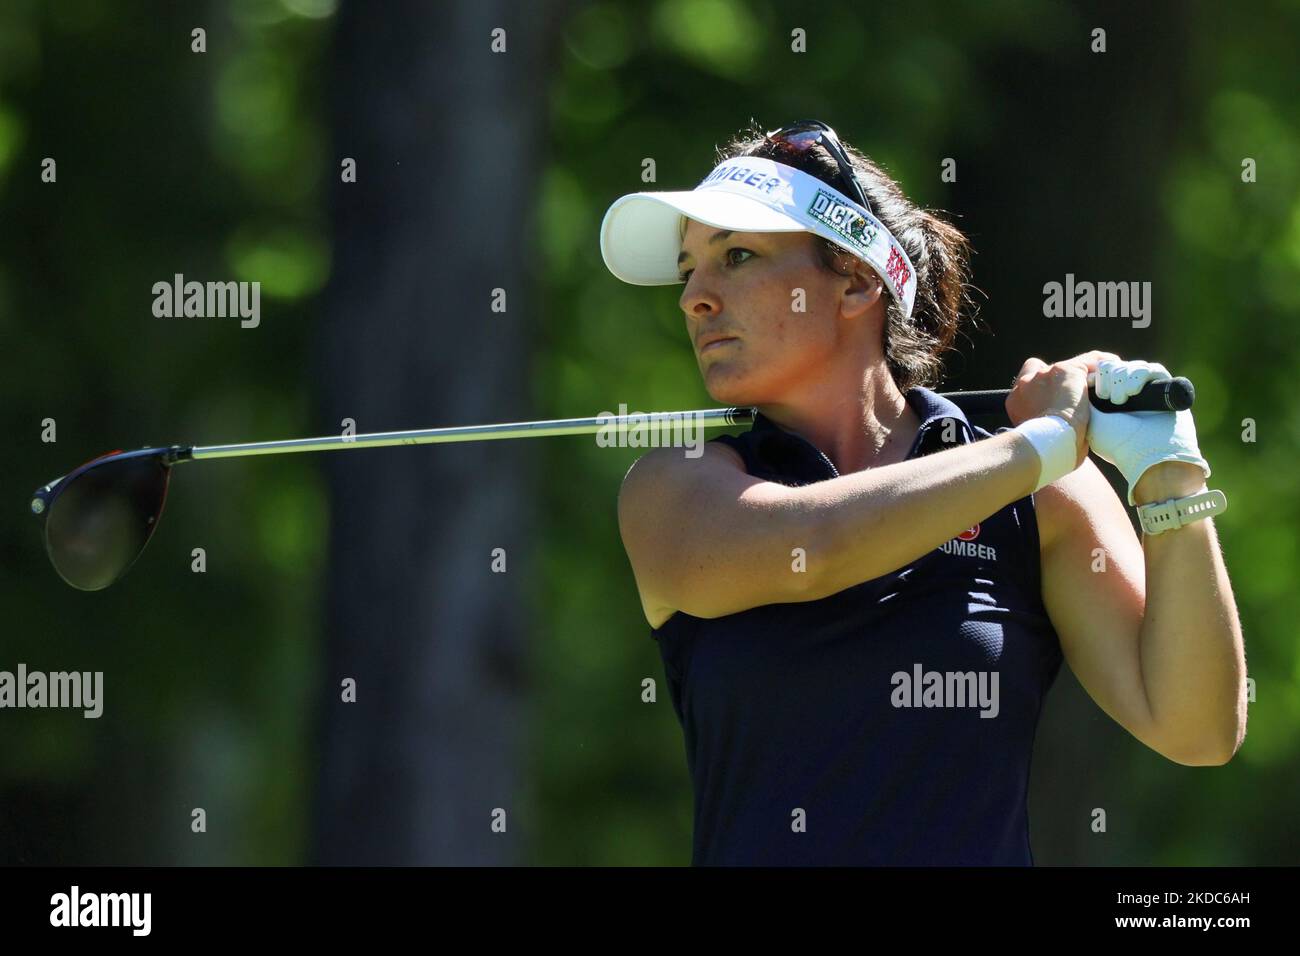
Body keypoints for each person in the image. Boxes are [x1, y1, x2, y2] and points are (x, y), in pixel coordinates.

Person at [600, 119, 1247, 866]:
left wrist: (1168, 475)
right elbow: (817, 546)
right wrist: (1038, 446)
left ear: (855, 281)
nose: (695, 299)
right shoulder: (677, 485)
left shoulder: (1041, 494)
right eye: (688, 271)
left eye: (736, 256)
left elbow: (1197, 728)